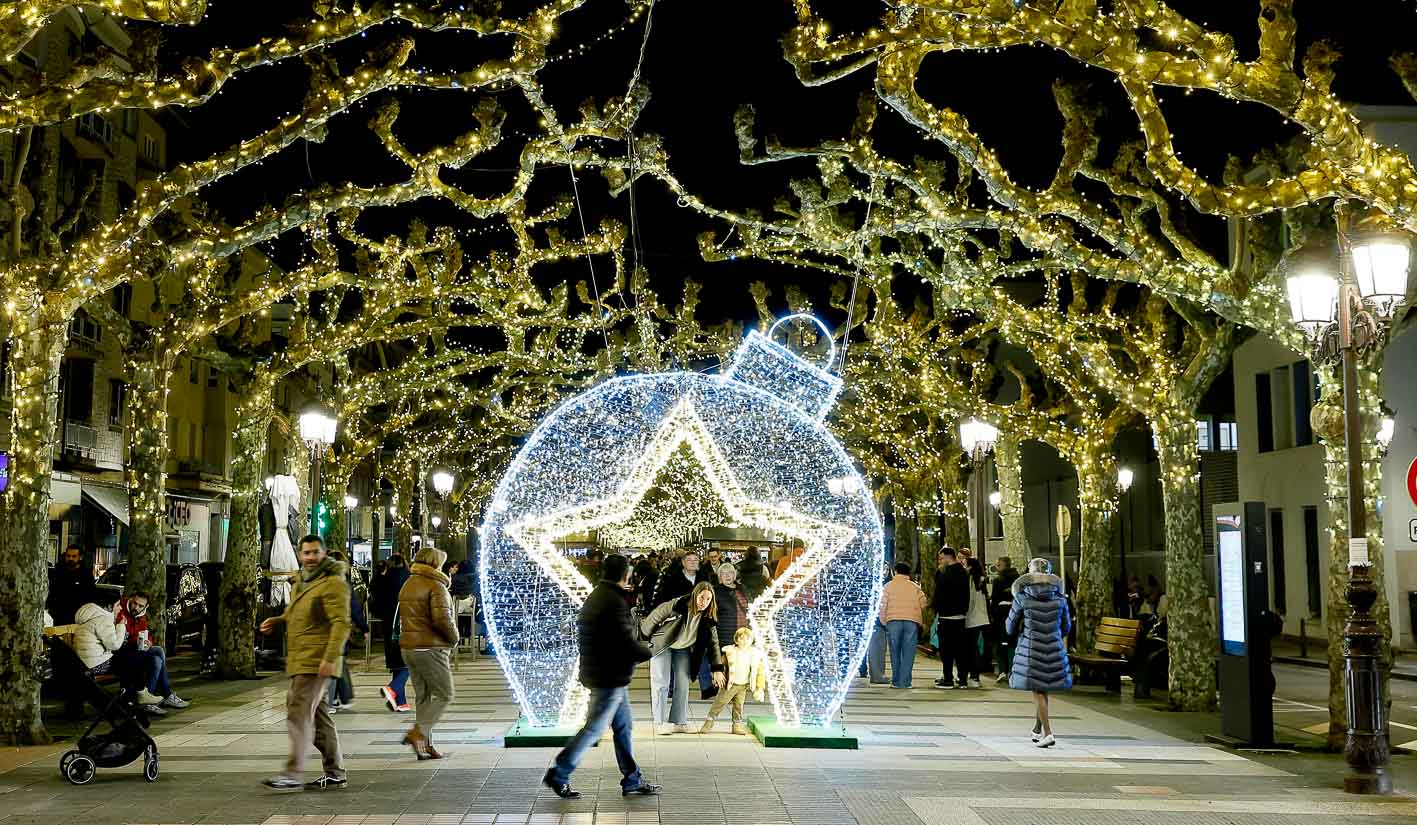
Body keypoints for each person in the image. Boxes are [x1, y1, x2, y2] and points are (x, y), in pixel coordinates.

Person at [542, 554, 659, 799]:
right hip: (609, 676)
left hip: (606, 673)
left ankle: (632, 778)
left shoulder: (597, 596)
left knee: (624, 727)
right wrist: (647, 651)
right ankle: (559, 772)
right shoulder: (612, 602)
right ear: (624, 575)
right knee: (594, 729)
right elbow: (623, 642)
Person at [260, 535, 352, 789]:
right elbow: (296, 613)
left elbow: (341, 623)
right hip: (301, 658)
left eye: (315, 552)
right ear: (300, 555)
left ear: (324, 554)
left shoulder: (333, 583)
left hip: (317, 660)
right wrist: (278, 620)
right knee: (319, 717)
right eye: (306, 553)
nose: (310, 558)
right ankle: (335, 771)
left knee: (298, 712)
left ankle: (293, 772)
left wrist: (330, 658)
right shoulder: (301, 581)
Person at [641, 581, 726, 734]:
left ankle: (678, 721)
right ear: (695, 595)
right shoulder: (678, 605)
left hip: (683, 648)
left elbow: (714, 644)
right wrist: (644, 637)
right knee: (661, 682)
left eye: (708, 599)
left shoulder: (708, 618)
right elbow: (655, 615)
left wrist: (717, 668)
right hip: (663, 644)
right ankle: (659, 722)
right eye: (701, 597)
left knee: (683, 682)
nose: (704, 602)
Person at [398, 546, 458, 759]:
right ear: (436, 564)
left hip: (409, 647)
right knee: (445, 693)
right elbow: (443, 620)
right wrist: (454, 638)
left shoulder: (409, 583)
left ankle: (426, 745)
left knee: (423, 696)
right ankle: (419, 733)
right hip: (430, 647)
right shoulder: (436, 585)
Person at [1006, 558, 1072, 749]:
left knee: (1038, 690)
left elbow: (1010, 626)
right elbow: (1066, 627)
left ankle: (1048, 733)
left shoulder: (1022, 597)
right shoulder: (1060, 599)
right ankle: (1037, 728)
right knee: (1043, 688)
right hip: (1054, 646)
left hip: (1031, 647)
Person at [113, 592, 189, 710]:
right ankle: (158, 697)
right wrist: (135, 641)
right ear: (131, 600)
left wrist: (148, 643)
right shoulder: (120, 611)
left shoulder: (141, 616)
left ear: (145, 607)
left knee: (157, 650)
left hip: (135, 649)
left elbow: (144, 633)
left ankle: (155, 698)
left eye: (140, 606)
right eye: (135, 603)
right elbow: (121, 637)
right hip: (122, 652)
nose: (136, 608)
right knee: (156, 660)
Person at [700, 627, 766, 734]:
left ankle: (737, 725)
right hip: (729, 684)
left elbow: (760, 672)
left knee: (738, 706)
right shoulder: (730, 652)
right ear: (736, 640)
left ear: (751, 640)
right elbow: (721, 665)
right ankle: (709, 721)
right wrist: (717, 675)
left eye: (747, 639)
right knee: (720, 703)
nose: (744, 641)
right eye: (741, 639)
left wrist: (759, 687)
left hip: (743, 686)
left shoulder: (755, 655)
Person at [324, 550, 367, 713]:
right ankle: (337, 698)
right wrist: (363, 627)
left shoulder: (321, 581)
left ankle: (334, 698)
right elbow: (354, 608)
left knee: (335, 662)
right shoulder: (344, 582)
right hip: (339, 628)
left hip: (328, 629)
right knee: (336, 662)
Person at [371, 553, 411, 712]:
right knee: (409, 662)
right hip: (406, 624)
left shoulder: (381, 579)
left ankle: (400, 701)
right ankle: (393, 688)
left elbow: (374, 602)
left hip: (387, 625)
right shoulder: (409, 578)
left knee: (397, 663)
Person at [879, 562, 927, 689]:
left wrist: (883, 621)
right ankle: (905, 682)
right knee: (909, 652)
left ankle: (895, 681)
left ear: (895, 572)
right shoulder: (915, 587)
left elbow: (882, 605)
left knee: (895, 651)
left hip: (893, 621)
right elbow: (923, 603)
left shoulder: (888, 586)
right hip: (911, 621)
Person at [932, 547, 970, 689]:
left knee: (946, 650)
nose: (940, 561)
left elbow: (939, 595)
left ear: (948, 557)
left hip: (946, 617)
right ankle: (963, 679)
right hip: (960, 617)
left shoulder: (944, 574)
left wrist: (936, 608)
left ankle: (948, 678)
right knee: (961, 650)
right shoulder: (963, 573)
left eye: (941, 558)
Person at [47, 544, 93, 625]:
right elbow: (52, 592)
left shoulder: (85, 575)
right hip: (59, 617)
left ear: (80, 557)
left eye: (74, 556)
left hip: (78, 618)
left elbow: (89, 596)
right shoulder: (59, 572)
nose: (70, 558)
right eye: (68, 556)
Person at [991, 556, 1020, 682]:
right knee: (1013, 643)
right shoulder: (1018, 580)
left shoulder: (998, 580)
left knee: (1001, 643)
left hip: (1001, 615)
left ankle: (1003, 669)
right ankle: (1013, 670)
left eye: (998, 565)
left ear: (1003, 566)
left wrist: (993, 613)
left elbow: (995, 599)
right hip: (1016, 615)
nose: (996, 568)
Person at [964, 557, 991, 688]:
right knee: (975, 647)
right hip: (982, 618)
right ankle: (975, 675)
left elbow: (970, 601)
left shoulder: (970, 580)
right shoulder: (981, 580)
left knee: (970, 647)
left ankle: (973, 675)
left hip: (971, 618)